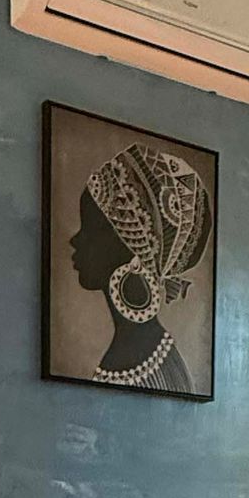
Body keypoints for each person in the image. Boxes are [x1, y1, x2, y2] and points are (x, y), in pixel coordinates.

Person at [69, 140, 214, 392]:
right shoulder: (149, 354)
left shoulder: (137, 361)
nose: (75, 240)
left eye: (90, 230)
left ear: (131, 250)